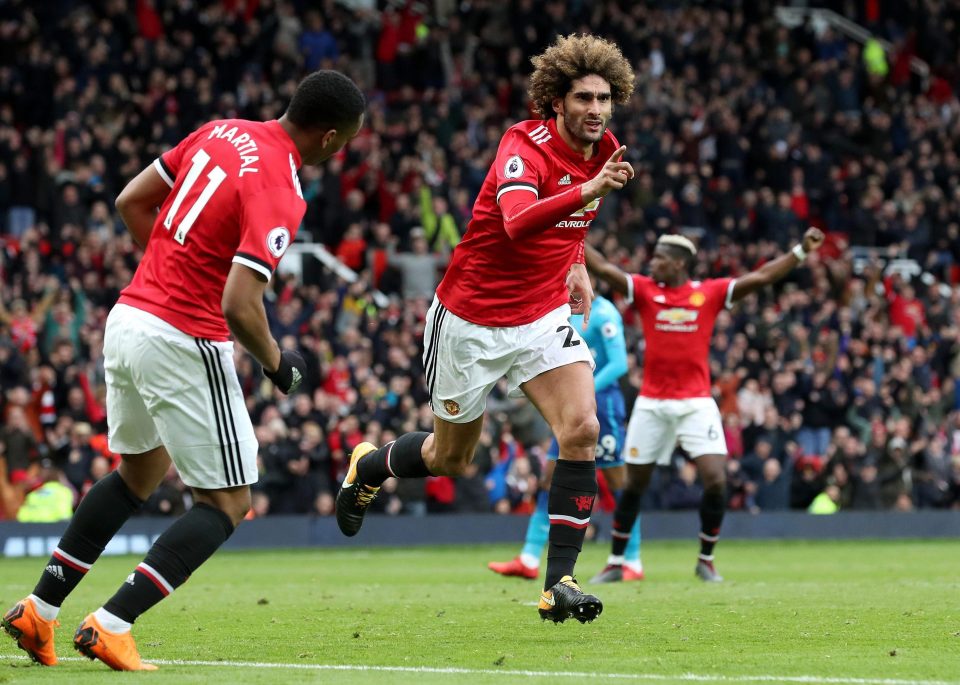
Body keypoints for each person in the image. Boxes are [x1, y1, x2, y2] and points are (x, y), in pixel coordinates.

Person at [1, 70, 365, 670]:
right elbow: (239, 304)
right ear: (329, 138)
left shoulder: (222, 130)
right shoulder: (282, 185)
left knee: (137, 474)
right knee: (227, 502)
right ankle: (111, 624)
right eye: (345, 142)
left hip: (129, 318)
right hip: (182, 335)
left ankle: (40, 611)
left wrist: (177, 265)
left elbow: (130, 200)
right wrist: (279, 366)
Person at [335, 34, 636, 624]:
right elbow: (520, 219)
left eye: (605, 98)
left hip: (542, 316)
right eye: (583, 97)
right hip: (470, 320)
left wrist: (576, 263)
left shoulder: (606, 150)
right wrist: (589, 190)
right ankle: (369, 466)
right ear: (557, 100)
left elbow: (572, 222)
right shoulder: (522, 146)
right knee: (451, 460)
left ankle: (560, 583)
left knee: (582, 428)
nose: (596, 109)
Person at [585, 227, 825, 582]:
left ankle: (706, 559)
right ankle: (617, 562)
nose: (653, 263)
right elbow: (604, 268)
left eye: (661, 258)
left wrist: (801, 251)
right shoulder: (647, 291)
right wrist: (569, 229)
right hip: (652, 403)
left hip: (696, 403)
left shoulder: (708, 293)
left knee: (715, 479)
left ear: (680, 264)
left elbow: (761, 277)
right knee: (633, 486)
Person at [487, 294, 643, 583]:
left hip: (602, 406)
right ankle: (529, 558)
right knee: (550, 478)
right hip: (571, 406)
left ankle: (631, 559)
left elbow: (620, 364)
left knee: (617, 482)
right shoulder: (557, 307)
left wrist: (582, 391)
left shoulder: (604, 312)